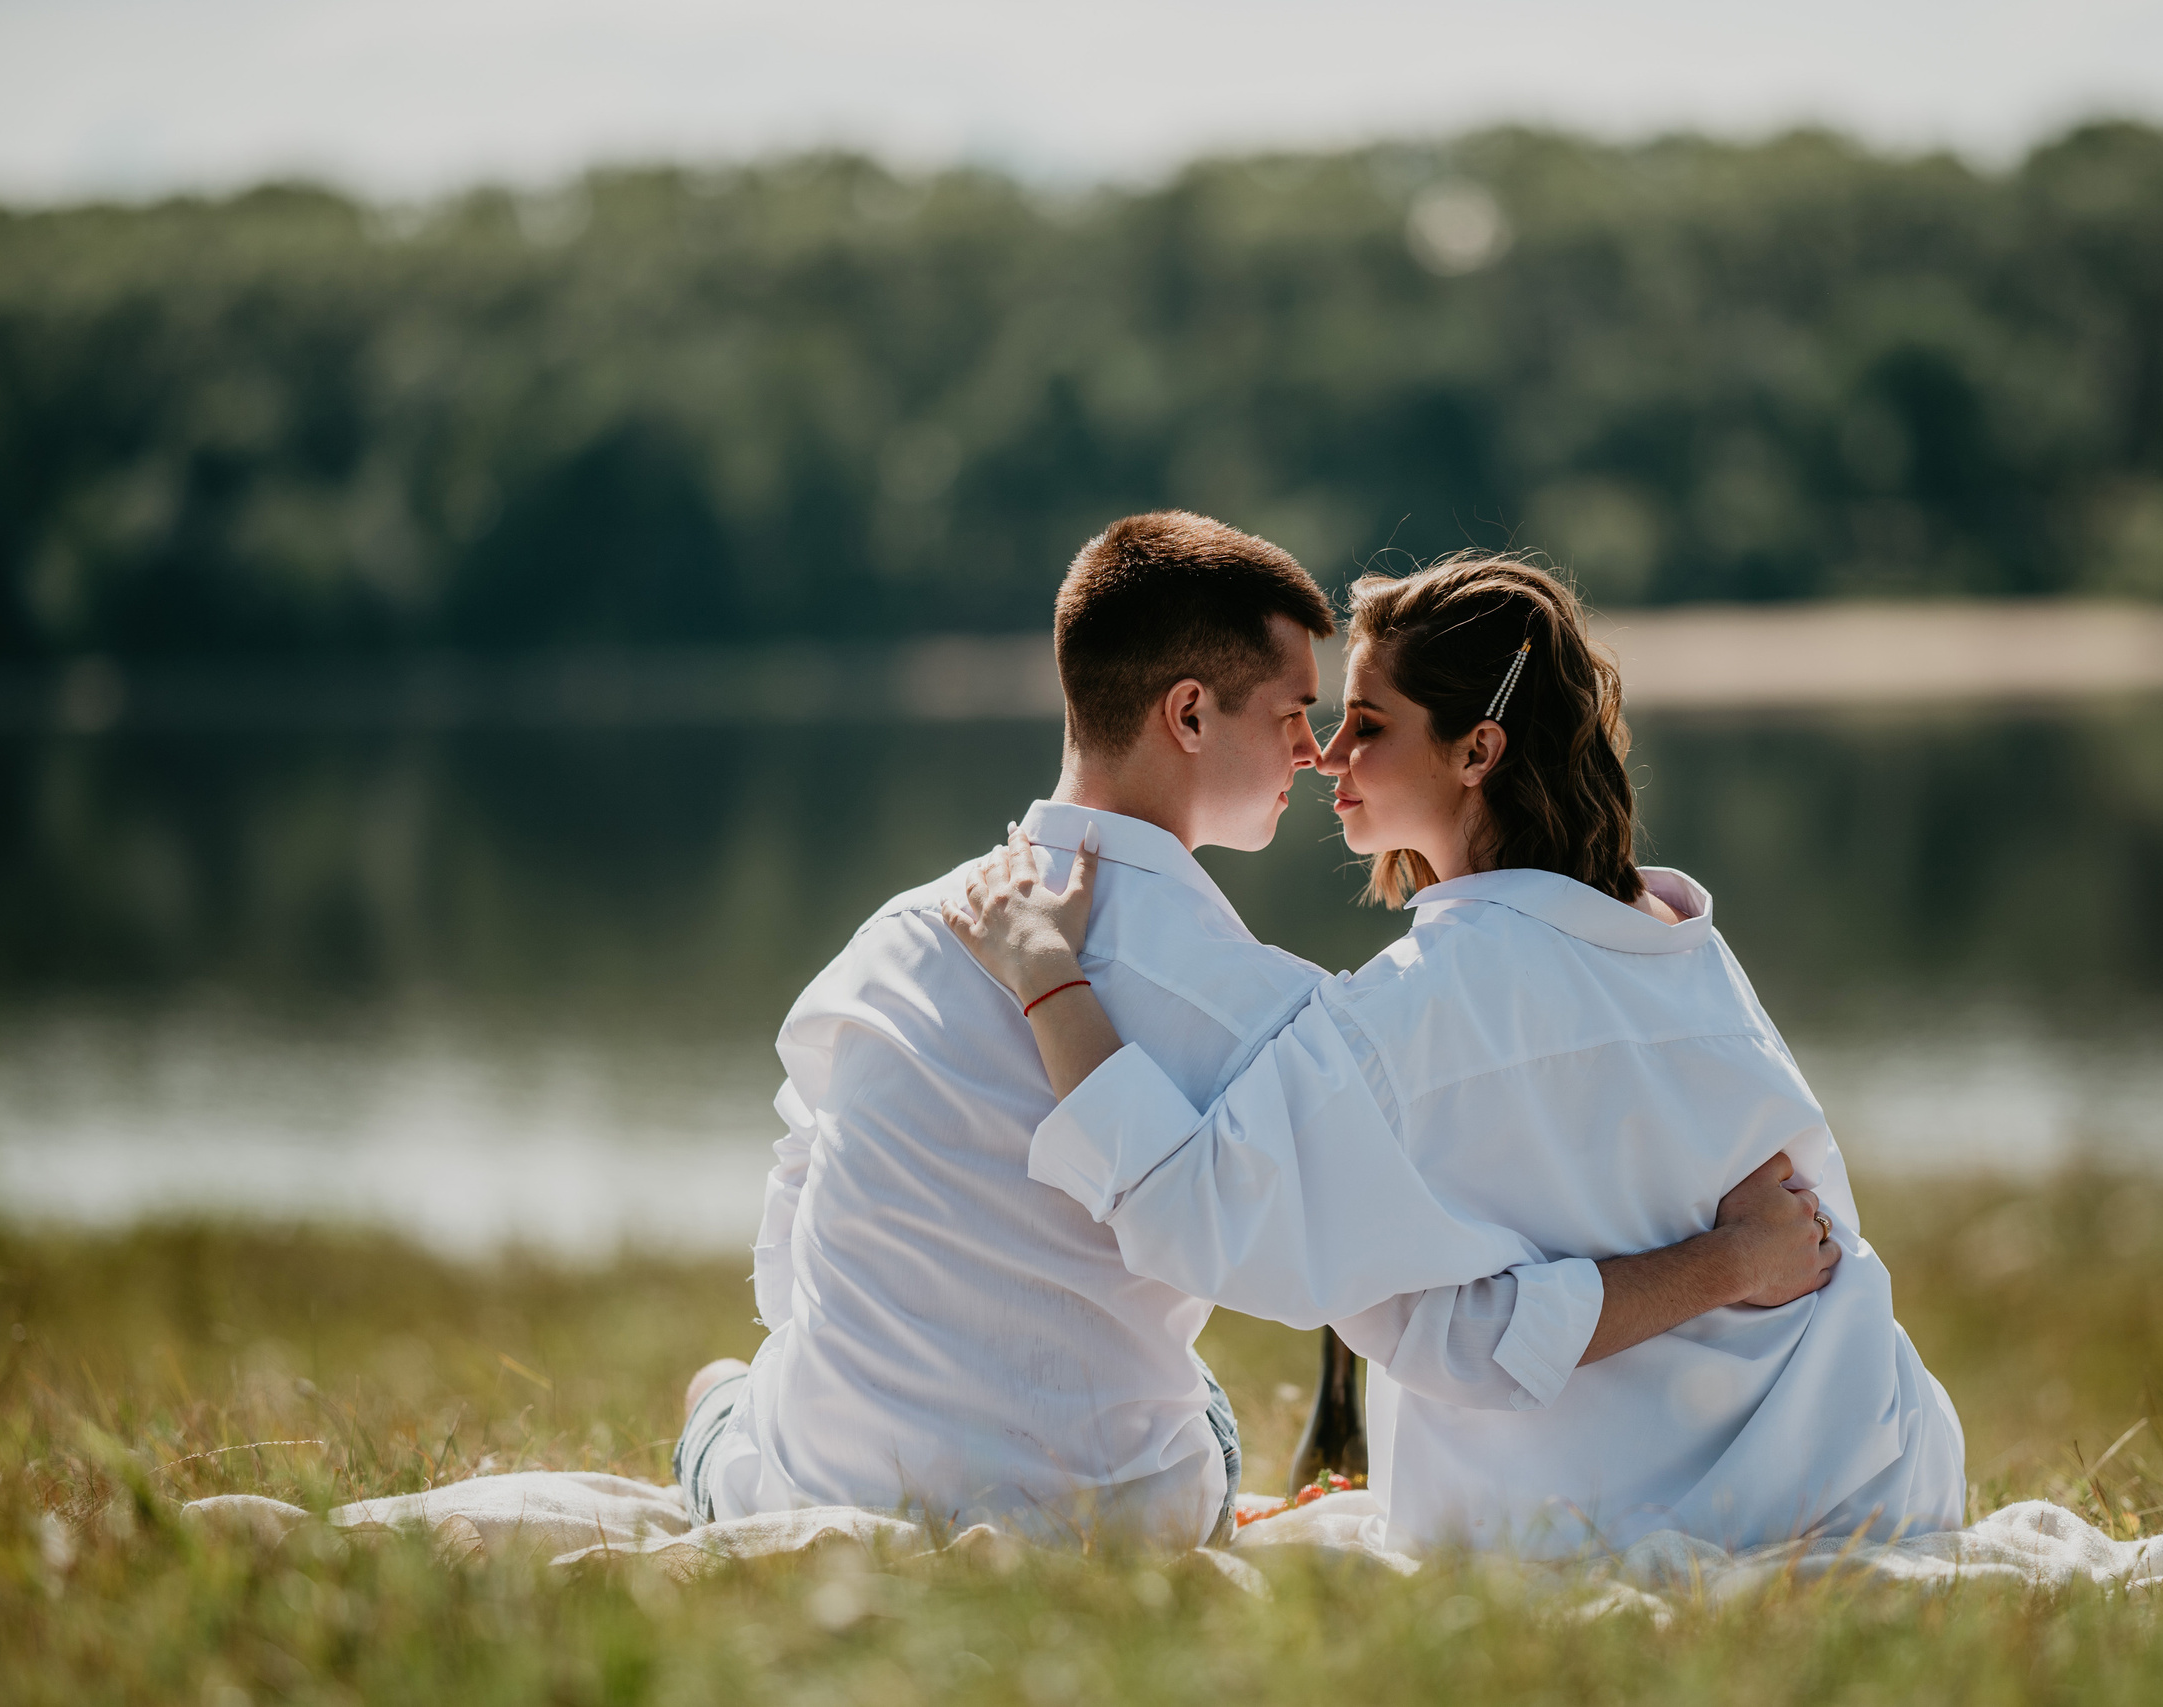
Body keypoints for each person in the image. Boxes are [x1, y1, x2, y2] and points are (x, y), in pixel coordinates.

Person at [674, 516, 1837, 1550]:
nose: (1314, 753)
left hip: (816, 1474)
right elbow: (1433, 1320)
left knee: (730, 1383)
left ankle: (731, 1409)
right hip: (1118, 1506)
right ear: (1189, 713)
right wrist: (1729, 1262)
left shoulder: (891, 939)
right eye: (1295, 715)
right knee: (1198, 1403)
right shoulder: (1270, 1013)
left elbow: (793, 1235)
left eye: (1344, 723)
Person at [949, 554, 1966, 1559]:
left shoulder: (1426, 1004)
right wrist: (1730, 1263)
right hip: (1872, 1454)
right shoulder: (1675, 934)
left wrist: (1045, 973)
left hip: (1659, 1502)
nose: (1326, 754)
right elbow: (1479, 1326)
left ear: (1477, 751)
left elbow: (1188, 1214)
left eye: (1368, 725)